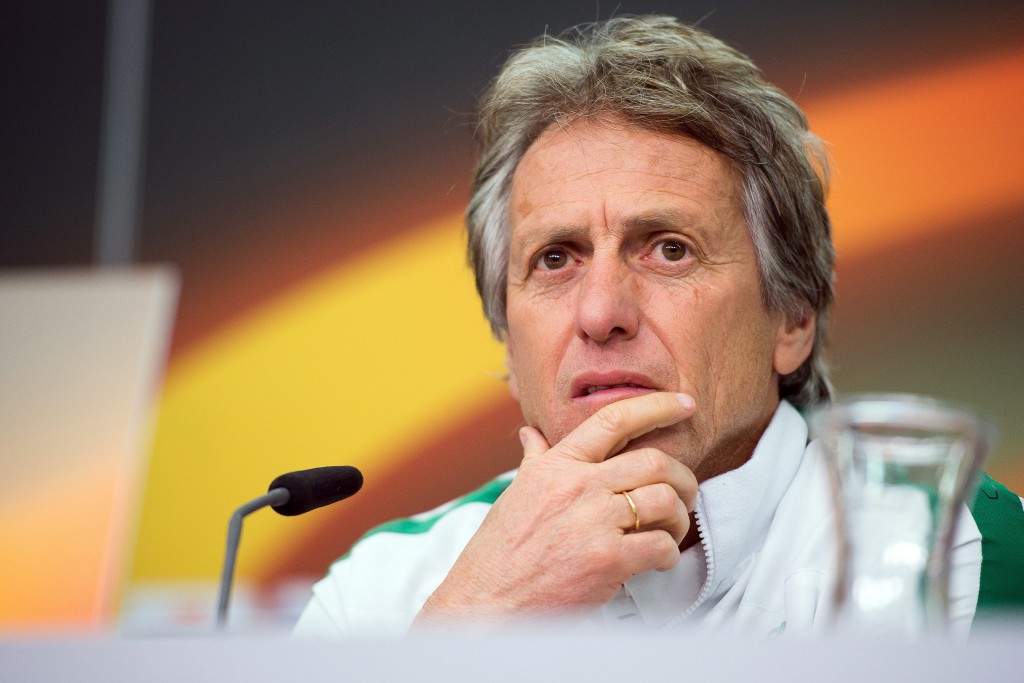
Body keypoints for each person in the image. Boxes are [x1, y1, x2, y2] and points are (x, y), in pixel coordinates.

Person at [294, 15, 1023, 638]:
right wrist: (479, 621)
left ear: (793, 317)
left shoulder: (946, 549)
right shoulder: (382, 591)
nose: (601, 313)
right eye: (555, 259)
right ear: (508, 343)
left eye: (669, 249)